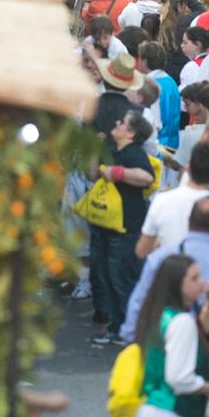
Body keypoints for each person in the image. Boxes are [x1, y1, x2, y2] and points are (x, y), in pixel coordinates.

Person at [127, 253, 209, 417]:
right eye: (194, 278)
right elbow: (179, 378)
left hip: (148, 416)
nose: (201, 283)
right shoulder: (182, 321)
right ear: (177, 284)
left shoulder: (156, 315)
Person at [123, 197, 209, 343]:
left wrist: (131, 335)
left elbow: (140, 299)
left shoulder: (161, 257)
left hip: (165, 341)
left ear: (189, 220)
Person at [88, 110, 155, 343]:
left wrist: (116, 173)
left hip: (126, 225)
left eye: (122, 122)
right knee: (108, 277)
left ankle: (129, 329)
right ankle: (117, 326)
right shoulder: (113, 149)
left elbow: (146, 177)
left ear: (131, 133)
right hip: (107, 223)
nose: (116, 123)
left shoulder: (134, 153)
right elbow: (92, 175)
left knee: (121, 279)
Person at [137, 140, 209, 257]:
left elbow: (141, 251)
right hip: (205, 274)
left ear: (188, 169)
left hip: (167, 271)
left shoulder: (161, 200)